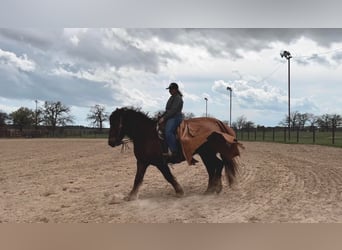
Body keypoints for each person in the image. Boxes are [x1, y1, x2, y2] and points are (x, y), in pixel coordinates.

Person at [158, 82, 184, 161]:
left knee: (168, 132)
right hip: (170, 116)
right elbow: (168, 110)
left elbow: (173, 110)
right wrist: (162, 116)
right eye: (169, 89)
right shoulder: (172, 97)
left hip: (176, 117)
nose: (170, 91)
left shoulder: (178, 98)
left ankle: (174, 151)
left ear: (175, 89)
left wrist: (164, 118)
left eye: (171, 89)